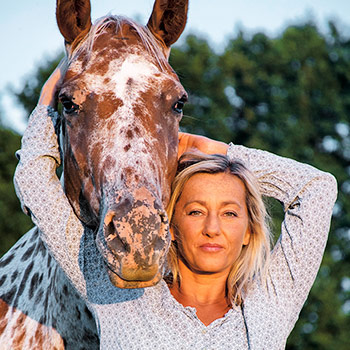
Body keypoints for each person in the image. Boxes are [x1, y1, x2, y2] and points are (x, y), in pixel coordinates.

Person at [14, 62, 337, 349]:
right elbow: (35, 183)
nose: (213, 229)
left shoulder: (272, 300)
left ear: (249, 231)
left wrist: (213, 149)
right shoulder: (115, 293)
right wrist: (49, 96)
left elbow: (317, 188)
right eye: (195, 211)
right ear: (171, 224)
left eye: (229, 213)